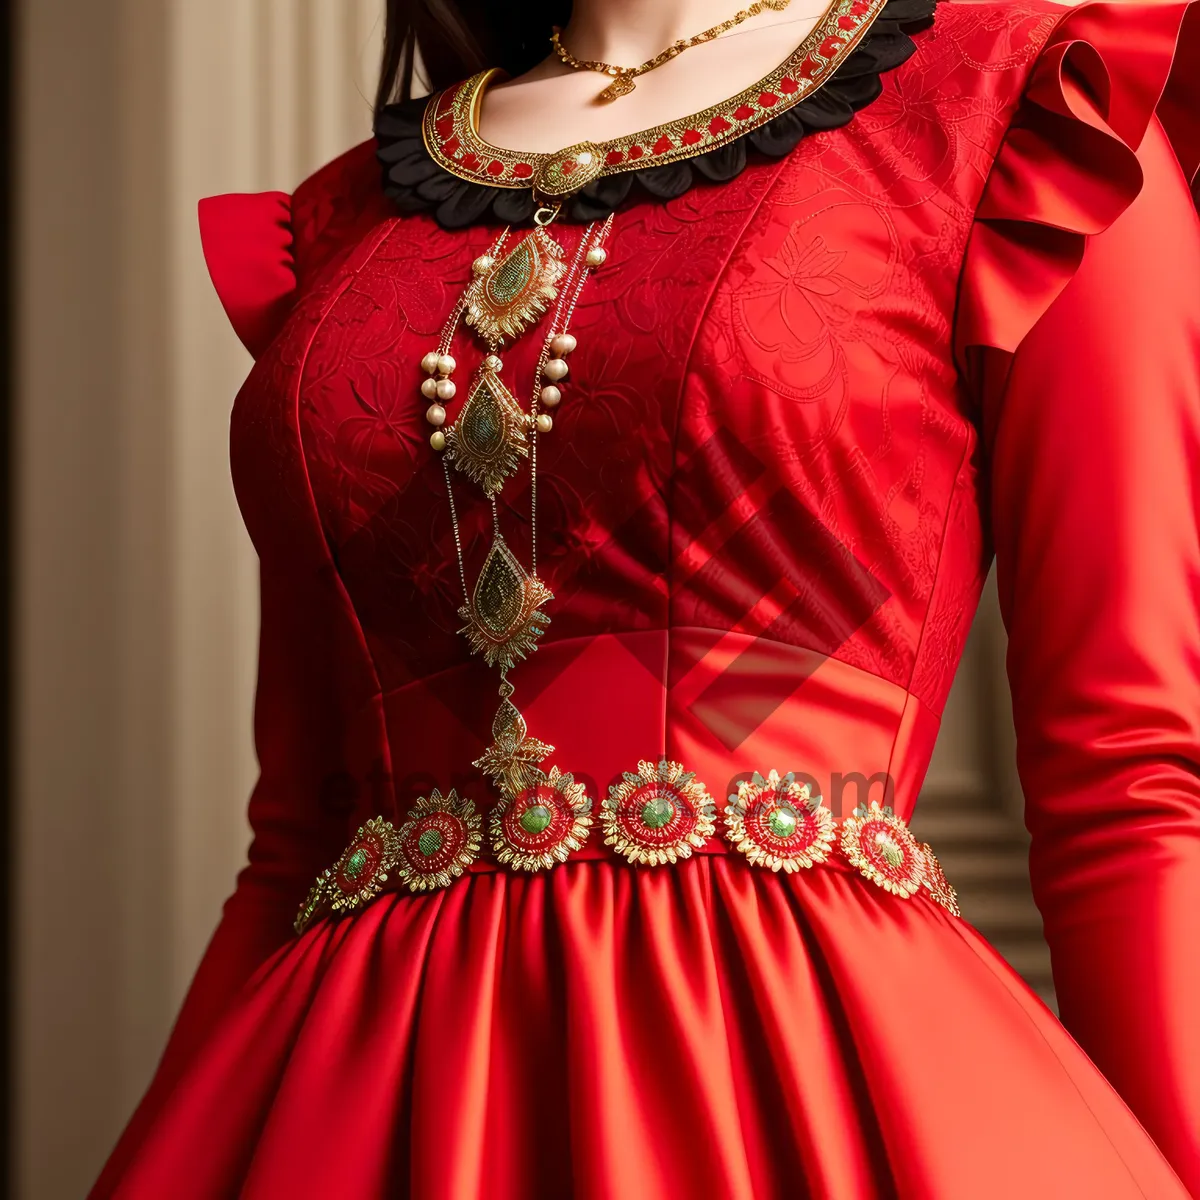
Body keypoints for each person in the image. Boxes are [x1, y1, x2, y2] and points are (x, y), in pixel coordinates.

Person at [91, 0, 1200, 1195]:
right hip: (353, 1087)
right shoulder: (349, 213)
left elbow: (1129, 781)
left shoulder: (1015, 106)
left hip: (787, 1066)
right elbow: (298, 834)